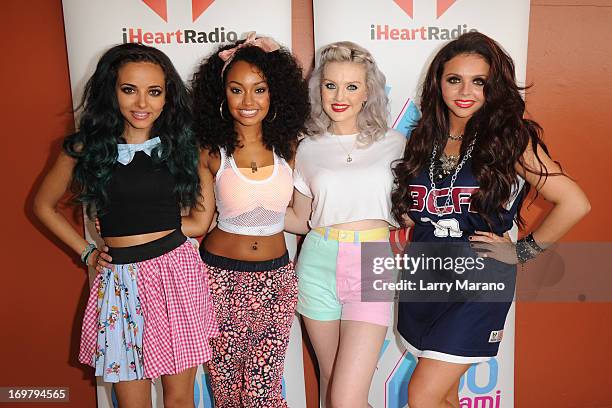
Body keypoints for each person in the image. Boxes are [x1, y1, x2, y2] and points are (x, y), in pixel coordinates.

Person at [391, 32, 590, 408]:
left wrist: (523, 252)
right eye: (455, 80)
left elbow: (574, 202)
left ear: (493, 86)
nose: (465, 91)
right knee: (444, 396)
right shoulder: (424, 137)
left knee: (421, 396)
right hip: (425, 277)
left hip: (478, 282)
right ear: (438, 83)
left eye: (478, 81)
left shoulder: (508, 138)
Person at [33, 43, 218, 408]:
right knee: (131, 402)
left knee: (180, 399)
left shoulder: (183, 147)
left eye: (154, 92)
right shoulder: (86, 148)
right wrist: (86, 251)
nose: (142, 103)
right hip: (119, 282)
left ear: (167, 97)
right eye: (129, 89)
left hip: (176, 277)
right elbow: (43, 205)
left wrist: (166, 233)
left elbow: (200, 220)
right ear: (111, 90)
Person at [190, 32, 309, 407]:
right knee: (226, 392)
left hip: (276, 281)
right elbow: (199, 220)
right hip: (218, 280)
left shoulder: (291, 146)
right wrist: (132, 229)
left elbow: (304, 214)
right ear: (221, 95)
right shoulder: (211, 151)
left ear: (275, 93)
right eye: (236, 89)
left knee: (262, 391)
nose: (248, 101)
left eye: (259, 89)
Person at [284, 41, 406, 407]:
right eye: (330, 85)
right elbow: (300, 219)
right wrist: (241, 217)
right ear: (317, 88)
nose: (339, 96)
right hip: (317, 263)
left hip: (372, 261)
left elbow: (411, 211)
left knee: (346, 399)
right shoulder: (305, 147)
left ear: (368, 92)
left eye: (352, 86)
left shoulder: (396, 144)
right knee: (330, 387)